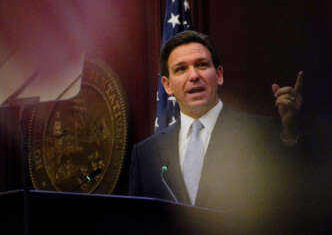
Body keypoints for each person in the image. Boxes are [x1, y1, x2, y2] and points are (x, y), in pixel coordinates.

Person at [129, 30, 303, 227]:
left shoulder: (259, 134)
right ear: (167, 85)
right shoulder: (145, 154)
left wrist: (290, 131)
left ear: (219, 75)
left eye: (202, 65)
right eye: (181, 69)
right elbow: (136, 223)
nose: (194, 75)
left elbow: (294, 197)